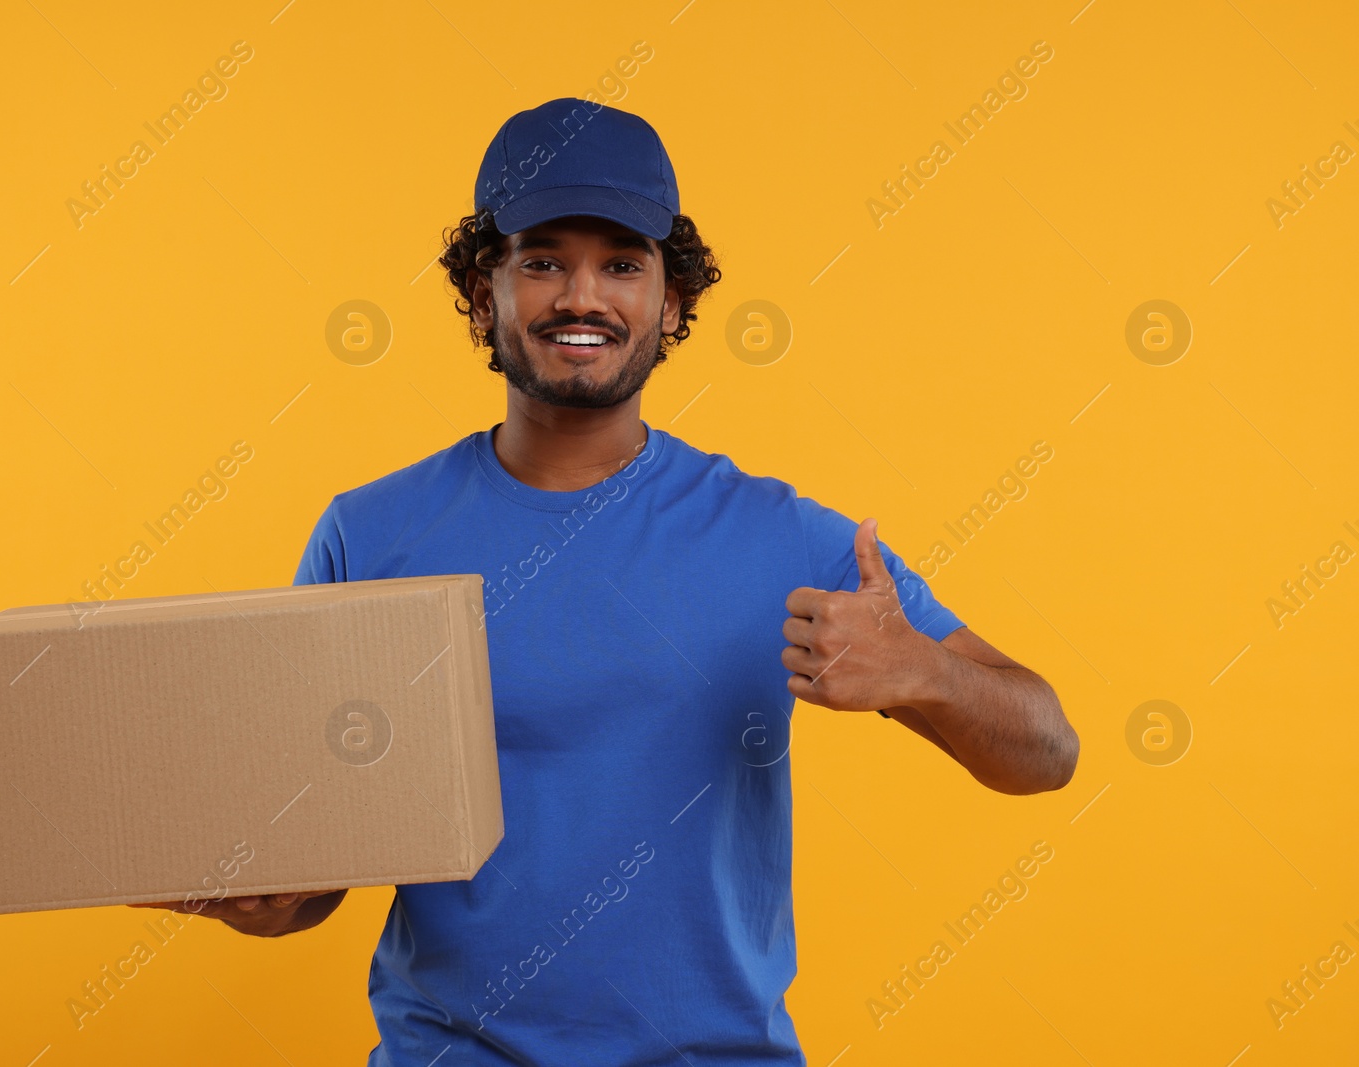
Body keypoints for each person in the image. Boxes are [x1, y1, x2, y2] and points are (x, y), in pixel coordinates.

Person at [134, 97, 1079, 1064]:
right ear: (480, 292)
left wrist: (925, 671)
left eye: (621, 263)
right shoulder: (369, 537)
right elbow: (314, 877)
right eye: (541, 259)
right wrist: (263, 898)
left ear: (670, 301)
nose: (580, 297)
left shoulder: (784, 538)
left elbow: (1047, 748)